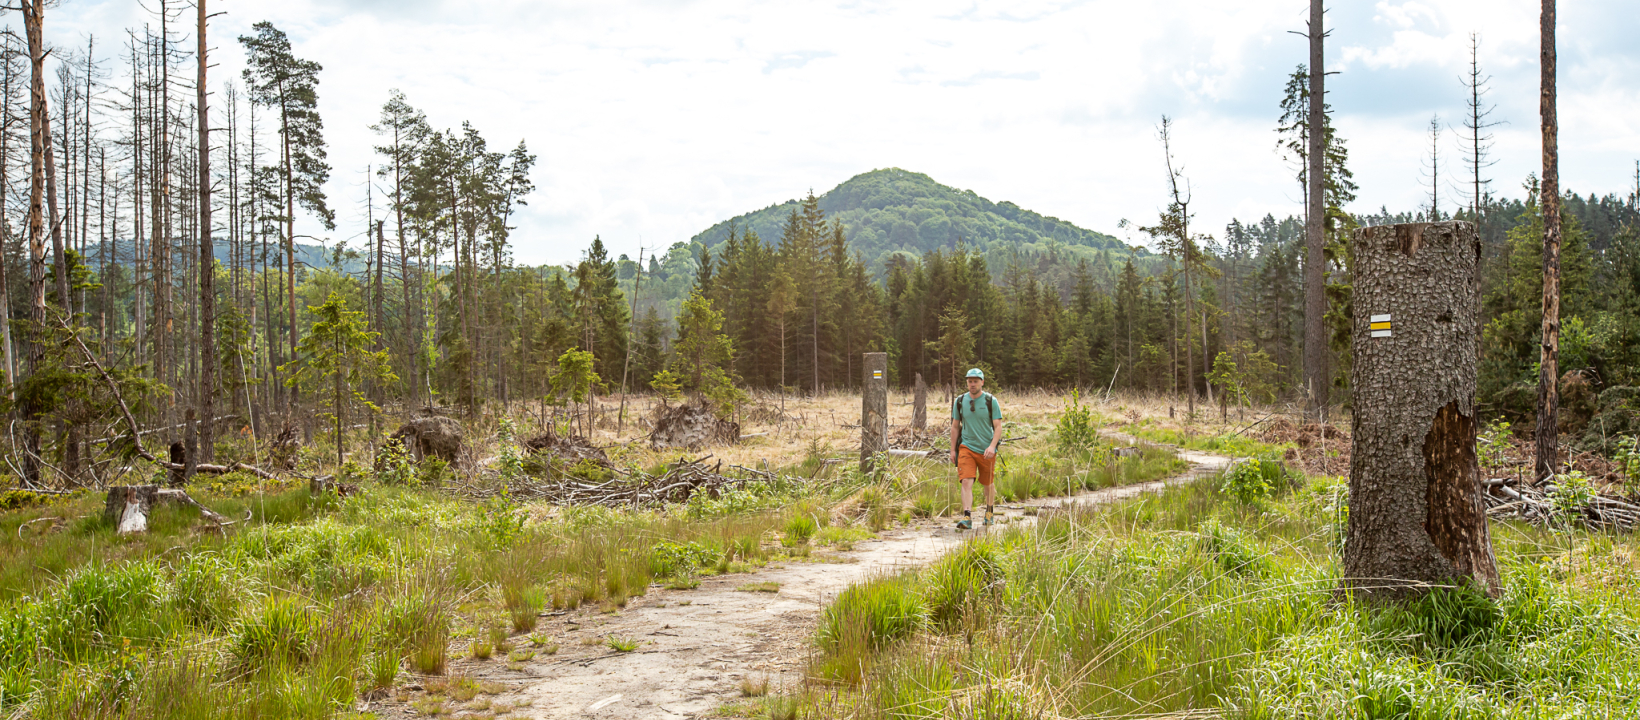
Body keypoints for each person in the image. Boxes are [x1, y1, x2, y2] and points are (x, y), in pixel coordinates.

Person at [949, 368, 1002, 530]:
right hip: (966, 447)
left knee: (988, 483)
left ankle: (989, 512)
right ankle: (967, 516)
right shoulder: (960, 401)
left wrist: (992, 446)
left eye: (975, 381)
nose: (972, 384)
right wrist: (953, 450)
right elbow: (955, 427)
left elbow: (998, 426)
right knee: (966, 480)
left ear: (982, 382)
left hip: (986, 449)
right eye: (970, 381)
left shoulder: (990, 401)